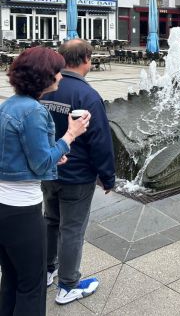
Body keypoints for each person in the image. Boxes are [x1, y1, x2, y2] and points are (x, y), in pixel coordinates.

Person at [0, 47, 89, 316]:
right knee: (32, 284)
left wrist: (54, 155)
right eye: (57, 71)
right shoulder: (33, 111)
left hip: (4, 204)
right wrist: (70, 135)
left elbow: (21, 155)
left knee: (11, 278)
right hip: (21, 209)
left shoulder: (10, 105)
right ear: (44, 76)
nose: (61, 76)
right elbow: (40, 164)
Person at [41, 39, 115, 306]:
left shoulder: (47, 89)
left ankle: (46, 270)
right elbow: (101, 141)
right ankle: (68, 285)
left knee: (51, 220)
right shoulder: (87, 95)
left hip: (49, 168)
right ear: (86, 59)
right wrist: (108, 177)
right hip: (78, 175)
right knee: (72, 228)